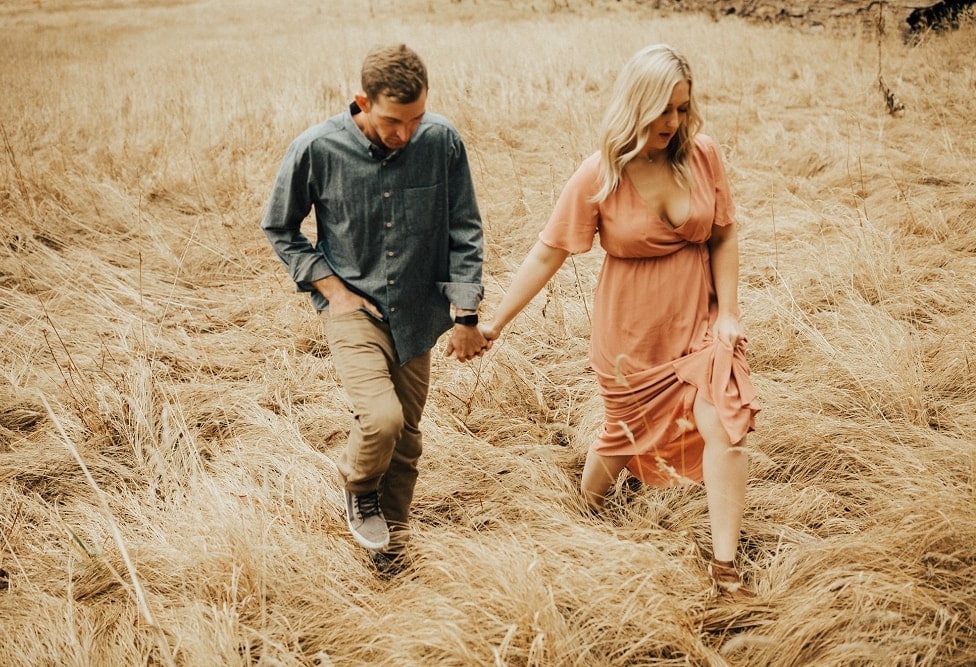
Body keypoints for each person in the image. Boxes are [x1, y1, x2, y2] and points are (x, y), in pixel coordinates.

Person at [479, 44, 760, 599]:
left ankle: (725, 569)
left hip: (700, 320)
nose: (673, 122)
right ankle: (586, 509)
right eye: (663, 110)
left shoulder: (701, 154)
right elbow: (547, 252)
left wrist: (728, 313)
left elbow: (725, 232)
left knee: (726, 425)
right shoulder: (600, 175)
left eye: (682, 108)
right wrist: (495, 323)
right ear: (636, 104)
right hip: (631, 335)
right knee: (620, 438)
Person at [261, 44, 489, 573]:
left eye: (415, 119)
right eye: (392, 121)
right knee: (382, 421)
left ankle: (390, 545)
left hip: (418, 314)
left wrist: (466, 314)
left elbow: (465, 228)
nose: (404, 134)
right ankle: (360, 488)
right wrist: (334, 292)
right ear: (362, 101)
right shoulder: (315, 149)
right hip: (353, 312)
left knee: (407, 439)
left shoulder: (441, 140)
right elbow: (280, 227)